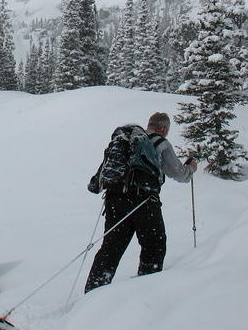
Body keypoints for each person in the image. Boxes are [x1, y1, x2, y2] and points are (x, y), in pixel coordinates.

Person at [84, 112, 196, 293]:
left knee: (111, 248)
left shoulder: (127, 141)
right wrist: (191, 168)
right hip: (145, 202)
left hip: (115, 199)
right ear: (164, 129)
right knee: (154, 245)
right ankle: (146, 291)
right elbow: (179, 173)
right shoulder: (161, 143)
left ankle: (93, 293)